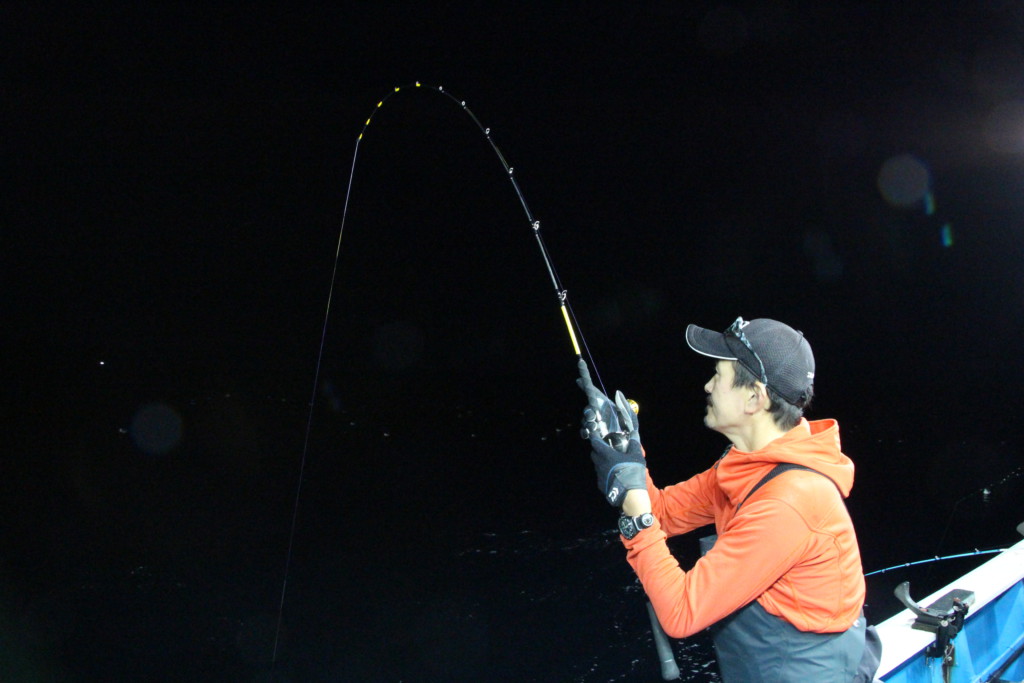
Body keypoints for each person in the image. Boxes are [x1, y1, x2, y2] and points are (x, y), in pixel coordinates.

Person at [579, 316, 876, 682]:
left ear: (754, 398)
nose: (707, 385)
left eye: (718, 375)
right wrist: (627, 453)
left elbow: (682, 612)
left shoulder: (789, 502)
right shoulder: (750, 462)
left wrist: (634, 511)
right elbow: (663, 514)